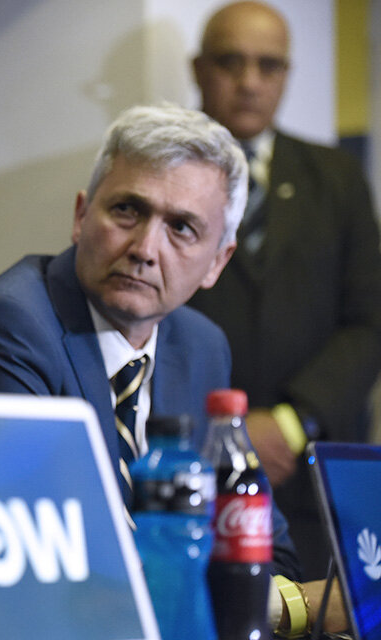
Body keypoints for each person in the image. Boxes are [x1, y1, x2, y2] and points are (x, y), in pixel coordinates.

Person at [0, 102, 348, 635]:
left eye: (181, 228)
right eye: (127, 211)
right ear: (82, 216)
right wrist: (298, 607)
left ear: (218, 262)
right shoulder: (8, 330)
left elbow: (263, 544)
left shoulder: (200, 347)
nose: (145, 249)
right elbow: (57, 565)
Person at [188, 0, 381, 583]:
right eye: (231, 62)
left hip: (315, 474)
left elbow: (370, 320)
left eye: (268, 66)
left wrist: (294, 423)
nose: (249, 82)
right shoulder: (162, 172)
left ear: (287, 75)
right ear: (198, 69)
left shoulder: (337, 178)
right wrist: (225, 432)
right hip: (194, 465)